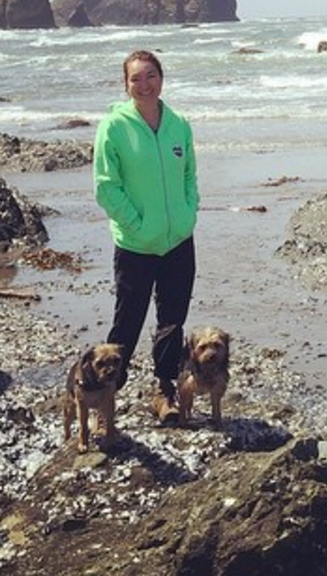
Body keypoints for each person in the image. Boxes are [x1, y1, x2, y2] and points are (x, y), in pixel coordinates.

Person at [93, 48, 199, 424]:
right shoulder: (114, 127)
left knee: (172, 320)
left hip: (178, 242)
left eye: (150, 75)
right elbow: (106, 187)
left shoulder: (178, 124)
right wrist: (137, 224)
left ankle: (164, 391)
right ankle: (104, 396)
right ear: (125, 85)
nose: (144, 84)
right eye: (135, 78)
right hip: (136, 245)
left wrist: (188, 214)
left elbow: (189, 175)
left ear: (161, 78)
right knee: (128, 322)